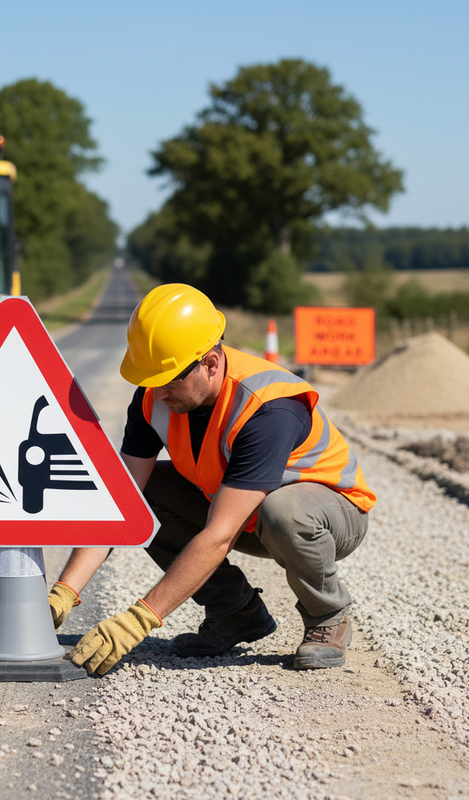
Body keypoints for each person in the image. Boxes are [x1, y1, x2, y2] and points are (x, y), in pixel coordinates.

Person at [48, 283, 375, 676]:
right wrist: (65, 591)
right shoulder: (154, 397)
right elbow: (121, 502)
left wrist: (139, 619)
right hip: (246, 512)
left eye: (170, 378)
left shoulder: (268, 408)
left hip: (328, 515)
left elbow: (219, 535)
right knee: (143, 494)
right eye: (152, 379)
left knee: (283, 510)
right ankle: (236, 612)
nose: (159, 390)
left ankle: (329, 616)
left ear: (211, 362)